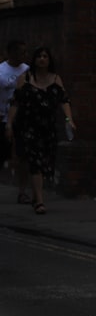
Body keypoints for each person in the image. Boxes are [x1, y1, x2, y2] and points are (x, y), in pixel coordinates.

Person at [5, 46, 75, 215]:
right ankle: (40, 202)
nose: (42, 59)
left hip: (48, 128)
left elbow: (64, 101)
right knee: (35, 162)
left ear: (49, 60)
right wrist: (9, 123)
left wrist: (69, 119)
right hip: (28, 127)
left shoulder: (56, 79)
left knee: (45, 163)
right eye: (39, 56)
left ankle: (36, 196)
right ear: (34, 60)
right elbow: (16, 103)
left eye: (45, 56)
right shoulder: (25, 79)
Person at [0, 40, 28, 200]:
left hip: (22, 118)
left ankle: (22, 191)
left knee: (22, 156)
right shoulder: (1, 71)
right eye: (21, 52)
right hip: (2, 117)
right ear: (11, 53)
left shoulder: (28, 70)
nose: (24, 55)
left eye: (25, 52)